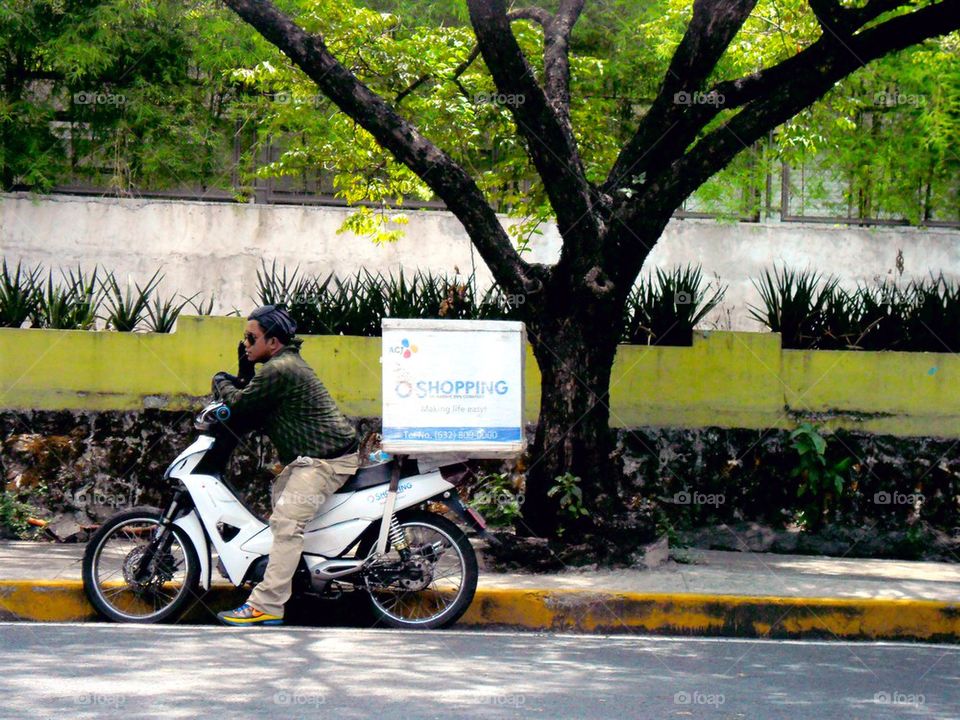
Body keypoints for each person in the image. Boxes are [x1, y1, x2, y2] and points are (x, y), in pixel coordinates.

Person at [213, 304, 359, 627]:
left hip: (327, 462)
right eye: (244, 339)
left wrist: (221, 381)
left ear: (274, 342)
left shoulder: (281, 370)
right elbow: (253, 401)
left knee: (286, 522)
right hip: (317, 458)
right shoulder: (282, 366)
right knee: (283, 511)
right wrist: (243, 375)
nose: (246, 345)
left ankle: (267, 604)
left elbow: (238, 403)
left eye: (251, 338)